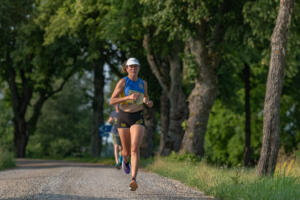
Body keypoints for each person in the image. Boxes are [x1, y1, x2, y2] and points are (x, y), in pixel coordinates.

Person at [110, 57, 153, 191]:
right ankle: (125, 160)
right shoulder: (123, 82)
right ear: (127, 68)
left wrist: (147, 102)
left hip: (137, 116)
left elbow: (145, 96)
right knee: (126, 150)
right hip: (123, 116)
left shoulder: (143, 83)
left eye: (136, 66)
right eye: (131, 66)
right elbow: (112, 100)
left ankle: (133, 179)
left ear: (139, 68)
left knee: (135, 148)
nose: (133, 68)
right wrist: (127, 97)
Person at [107, 105, 122, 169]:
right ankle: (117, 162)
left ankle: (121, 160)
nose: (117, 106)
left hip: (122, 132)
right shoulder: (113, 113)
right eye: (116, 105)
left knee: (121, 148)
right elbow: (109, 121)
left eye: (119, 104)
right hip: (114, 132)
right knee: (116, 146)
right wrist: (111, 120)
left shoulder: (123, 112)